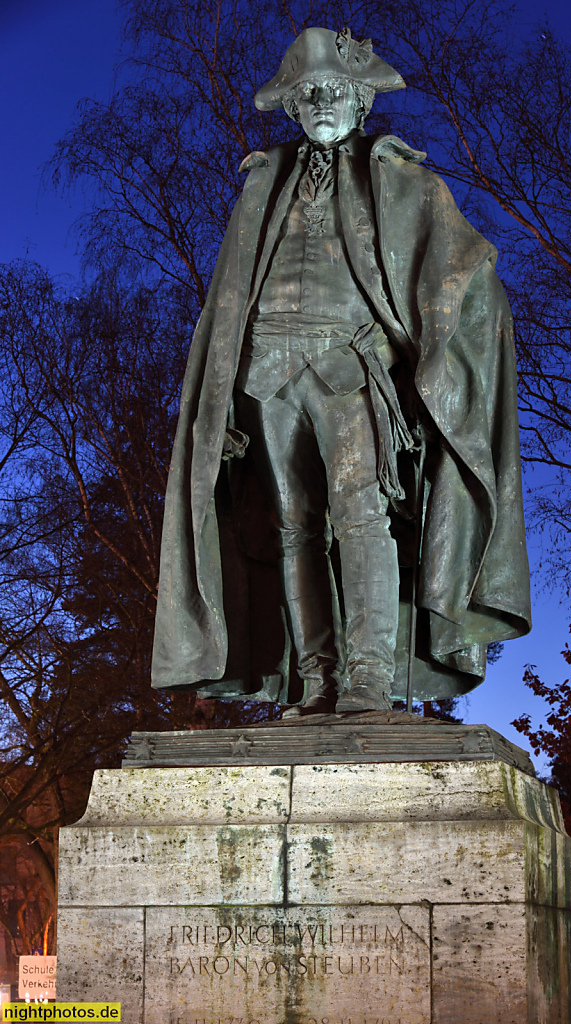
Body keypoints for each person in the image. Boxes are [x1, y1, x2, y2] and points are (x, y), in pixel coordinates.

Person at [151, 27, 531, 715]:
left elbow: (463, 267)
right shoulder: (261, 185)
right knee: (293, 527)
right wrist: (223, 393)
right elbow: (228, 298)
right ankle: (318, 677)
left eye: (335, 91)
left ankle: (368, 678)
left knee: (362, 515)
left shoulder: (403, 180)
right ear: (293, 106)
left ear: (361, 99)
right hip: (267, 372)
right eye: (309, 94)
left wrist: (447, 324)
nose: (322, 102)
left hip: (352, 365)